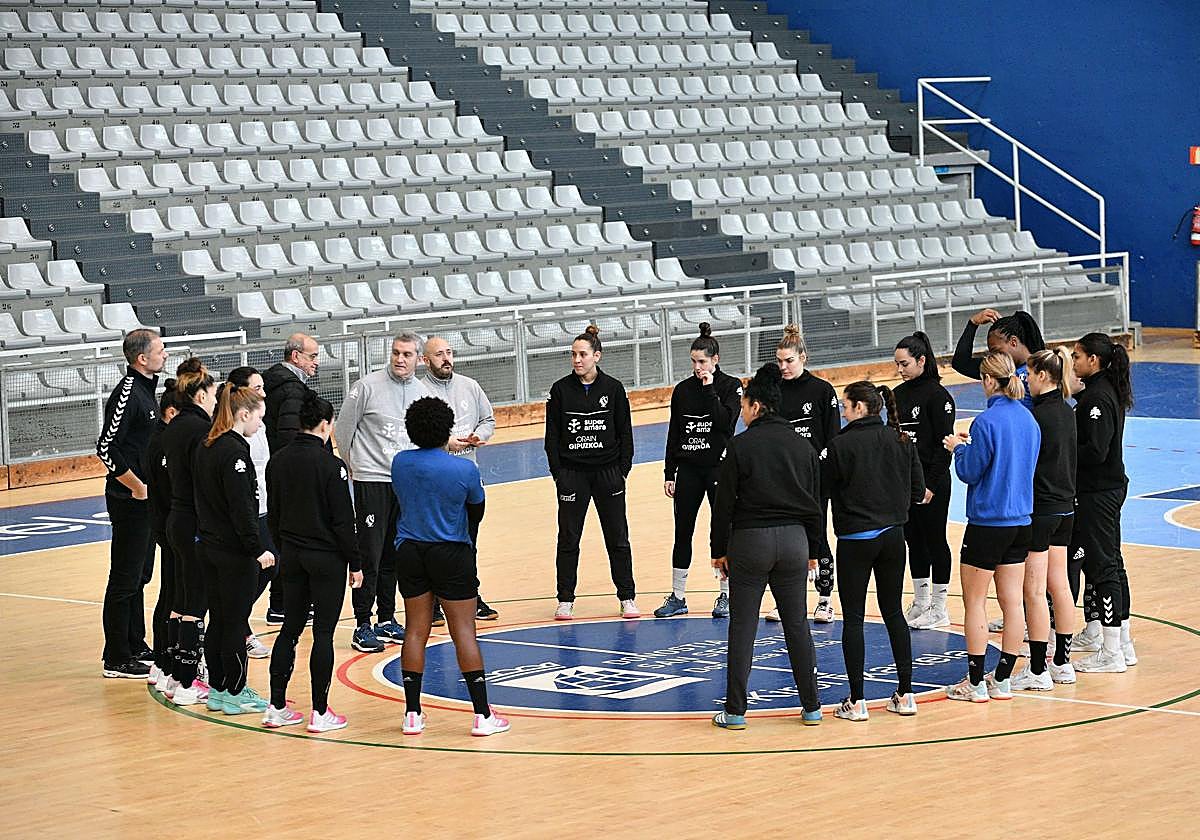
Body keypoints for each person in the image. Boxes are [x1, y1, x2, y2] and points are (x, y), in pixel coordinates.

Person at [710, 364, 824, 729]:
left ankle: (736, 712)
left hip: (750, 541)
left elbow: (723, 504)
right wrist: (815, 549)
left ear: (756, 405)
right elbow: (815, 503)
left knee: (743, 627)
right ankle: (812, 707)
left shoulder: (740, 446)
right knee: (797, 625)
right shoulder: (802, 445)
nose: (741, 412)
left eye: (743, 406)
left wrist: (718, 550)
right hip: (794, 541)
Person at [392, 396, 510, 737]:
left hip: (410, 551)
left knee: (415, 629)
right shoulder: (464, 468)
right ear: (447, 429)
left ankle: (412, 713)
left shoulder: (400, 462)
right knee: (463, 631)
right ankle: (482, 715)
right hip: (451, 552)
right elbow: (476, 509)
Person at [822, 381, 926, 721]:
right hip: (894, 538)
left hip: (855, 541)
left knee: (854, 618)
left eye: (846, 405)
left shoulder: (840, 446)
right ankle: (906, 695)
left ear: (861, 408)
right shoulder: (901, 440)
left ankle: (858, 701)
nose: (842, 411)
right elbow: (918, 491)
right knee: (893, 612)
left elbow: (822, 491)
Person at [942, 351, 1041, 703]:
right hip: (1021, 521)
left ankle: (975, 682)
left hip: (987, 523)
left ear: (987, 380)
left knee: (975, 602)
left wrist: (959, 448)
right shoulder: (1029, 420)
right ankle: (1003, 680)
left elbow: (970, 472)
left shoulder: (985, 422)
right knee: (1013, 602)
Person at [264, 392, 364, 733]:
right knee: (322, 633)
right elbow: (342, 520)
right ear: (325, 424)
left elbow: (272, 516)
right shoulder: (331, 466)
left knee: (289, 629)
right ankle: (319, 712)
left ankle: (276, 706)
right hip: (326, 560)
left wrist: (284, 548)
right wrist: (356, 563)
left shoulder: (277, 461)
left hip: (291, 556)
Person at [335, 333, 430, 652]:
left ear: (419, 359)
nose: (400, 359)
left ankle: (387, 619)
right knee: (370, 554)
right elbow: (343, 429)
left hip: (405, 483)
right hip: (371, 481)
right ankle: (362, 623)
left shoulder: (423, 392)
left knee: (395, 554)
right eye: (395, 353)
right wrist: (354, 467)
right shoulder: (366, 387)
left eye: (407, 354)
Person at [544, 325, 638, 621]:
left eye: (582, 354)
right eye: (573, 355)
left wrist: (621, 470)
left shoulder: (613, 389)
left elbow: (625, 432)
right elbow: (552, 437)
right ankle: (565, 599)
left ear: (596, 356)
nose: (576, 360)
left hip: (608, 473)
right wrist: (559, 474)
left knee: (618, 538)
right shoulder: (560, 390)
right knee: (569, 538)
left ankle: (627, 597)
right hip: (572, 474)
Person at [193, 385, 275, 715]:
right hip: (233, 552)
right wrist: (257, 549)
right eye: (259, 418)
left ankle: (218, 689)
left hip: (209, 546)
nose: (260, 426)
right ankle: (235, 691)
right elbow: (242, 508)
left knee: (218, 620)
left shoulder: (207, 445)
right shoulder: (235, 453)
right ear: (243, 414)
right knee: (235, 622)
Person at [655, 323, 743, 619]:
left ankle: (726, 595)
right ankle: (678, 596)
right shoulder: (682, 390)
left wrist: (708, 390)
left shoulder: (731, 387)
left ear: (715, 360)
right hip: (689, 470)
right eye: (693, 361)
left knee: (721, 532)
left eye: (702, 361)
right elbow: (674, 432)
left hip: (719, 469)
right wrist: (670, 472)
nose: (697, 367)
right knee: (683, 531)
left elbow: (724, 423)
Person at [97, 328, 168, 679]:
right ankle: (116, 656)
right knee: (125, 578)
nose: (165, 354)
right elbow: (106, 448)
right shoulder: (128, 392)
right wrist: (137, 486)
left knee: (140, 576)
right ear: (142, 358)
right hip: (129, 500)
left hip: (146, 501)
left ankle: (135, 643)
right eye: (160, 349)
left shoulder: (147, 392)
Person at [1010, 347, 1079, 690]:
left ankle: (1038, 670)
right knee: (1060, 584)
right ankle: (1063, 664)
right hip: (1066, 506)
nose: (1025, 381)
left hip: (1041, 509)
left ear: (1040, 376)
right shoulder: (1067, 411)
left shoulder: (1037, 417)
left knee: (1034, 590)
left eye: (1028, 375)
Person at [1069, 333, 1136, 673]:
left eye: (1077, 356)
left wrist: (1063, 455)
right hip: (1105, 489)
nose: (1074, 362)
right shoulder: (1100, 390)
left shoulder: (1096, 398)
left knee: (1103, 567)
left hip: (1099, 491)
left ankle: (1112, 651)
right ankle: (1121, 640)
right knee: (1110, 561)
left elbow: (1096, 451)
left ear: (1093, 360)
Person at [421, 335, 499, 623]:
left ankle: (471, 596)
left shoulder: (470, 386)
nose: (446, 359)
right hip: (434, 482)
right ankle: (433, 603)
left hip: (467, 478)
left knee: (468, 542)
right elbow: (413, 434)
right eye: (439, 354)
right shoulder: (418, 391)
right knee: (436, 544)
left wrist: (481, 436)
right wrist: (445, 443)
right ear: (425, 361)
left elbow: (488, 419)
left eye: (449, 352)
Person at [768, 324, 839, 624]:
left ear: (803, 358)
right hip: (782, 481)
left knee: (817, 536)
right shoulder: (774, 392)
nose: (783, 367)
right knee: (784, 540)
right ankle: (785, 601)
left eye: (789, 361)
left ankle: (825, 600)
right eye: (779, 361)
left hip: (814, 480)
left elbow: (833, 438)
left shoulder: (822, 391)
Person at [160, 358, 218, 706]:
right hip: (194, 519)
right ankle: (187, 681)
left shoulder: (174, 426)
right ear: (200, 395)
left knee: (180, 599)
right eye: (212, 394)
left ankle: (171, 673)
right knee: (195, 600)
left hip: (175, 517)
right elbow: (204, 479)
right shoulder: (199, 430)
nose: (215, 401)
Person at [893, 331, 957, 629]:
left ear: (921, 360)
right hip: (906, 483)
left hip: (933, 483)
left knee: (935, 540)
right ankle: (920, 602)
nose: (900, 369)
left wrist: (930, 484)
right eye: (897, 364)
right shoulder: (898, 395)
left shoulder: (938, 396)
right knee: (913, 541)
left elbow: (945, 447)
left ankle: (940, 605)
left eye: (905, 363)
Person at [261, 333, 321, 624]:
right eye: (312, 356)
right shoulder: (293, 391)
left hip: (273, 473)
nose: (316, 363)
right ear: (295, 356)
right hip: (287, 477)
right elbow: (288, 436)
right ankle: (283, 603)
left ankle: (280, 603)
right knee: (291, 539)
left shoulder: (273, 383)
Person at [224, 367, 274, 660]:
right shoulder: (230, 437)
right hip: (247, 510)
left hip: (265, 506)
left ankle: (237, 621)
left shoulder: (260, 425)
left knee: (271, 566)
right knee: (248, 570)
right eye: (257, 387)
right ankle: (236, 628)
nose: (263, 392)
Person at [146, 379, 183, 691]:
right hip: (169, 526)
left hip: (166, 524)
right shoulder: (162, 443)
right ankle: (163, 660)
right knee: (171, 594)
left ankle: (162, 660)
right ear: (171, 412)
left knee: (171, 592)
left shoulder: (163, 438)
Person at [952, 309, 1045, 410]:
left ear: (1013, 342)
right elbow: (961, 363)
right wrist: (973, 323)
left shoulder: (1041, 371)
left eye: (996, 350)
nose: (994, 356)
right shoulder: (998, 369)